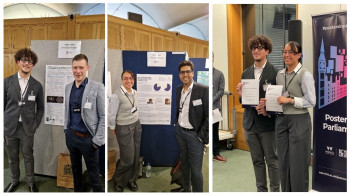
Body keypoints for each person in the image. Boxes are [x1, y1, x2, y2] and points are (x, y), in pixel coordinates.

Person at [236, 35, 280, 192]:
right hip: (250, 124)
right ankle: (261, 191)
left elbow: (280, 102)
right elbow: (245, 102)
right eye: (254, 48)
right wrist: (241, 94)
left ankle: (275, 191)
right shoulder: (245, 73)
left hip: (268, 125)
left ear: (267, 51)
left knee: (272, 161)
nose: (256, 50)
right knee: (256, 161)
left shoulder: (276, 73)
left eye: (260, 48)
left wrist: (269, 109)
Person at [274, 41, 315, 192]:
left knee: (298, 163)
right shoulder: (279, 74)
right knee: (283, 162)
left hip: (299, 121)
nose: (287, 55)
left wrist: (290, 100)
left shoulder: (305, 74)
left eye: (291, 52)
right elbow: (277, 97)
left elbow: (311, 101)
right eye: (285, 51)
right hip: (281, 121)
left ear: (299, 55)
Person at [4, 48, 44, 192]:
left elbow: (41, 108)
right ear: (18, 62)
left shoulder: (37, 85)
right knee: (12, 157)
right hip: (9, 128)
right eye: (24, 60)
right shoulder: (6, 82)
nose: (27, 63)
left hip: (27, 128)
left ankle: (30, 182)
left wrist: (35, 125)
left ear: (33, 64)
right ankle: (14, 181)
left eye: (30, 61)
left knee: (28, 156)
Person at [64, 54, 105, 192]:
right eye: (75, 67)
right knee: (76, 172)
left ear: (87, 68)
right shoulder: (68, 87)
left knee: (94, 175)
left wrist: (97, 141)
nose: (78, 71)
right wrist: (66, 130)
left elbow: (103, 116)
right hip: (72, 137)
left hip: (88, 140)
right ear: (72, 68)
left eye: (81, 67)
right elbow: (66, 110)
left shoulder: (97, 87)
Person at [175, 60, 209, 192]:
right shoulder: (179, 89)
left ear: (192, 73)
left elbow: (207, 116)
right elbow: (178, 109)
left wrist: (201, 135)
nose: (185, 75)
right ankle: (186, 189)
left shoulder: (202, 90)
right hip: (180, 132)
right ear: (179, 74)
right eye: (182, 72)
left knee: (196, 171)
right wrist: (176, 124)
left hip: (194, 135)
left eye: (188, 71)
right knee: (185, 165)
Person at [112, 70, 142, 192]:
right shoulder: (116, 95)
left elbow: (134, 109)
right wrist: (113, 127)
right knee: (128, 159)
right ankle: (118, 180)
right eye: (126, 78)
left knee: (135, 156)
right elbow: (111, 114)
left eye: (131, 78)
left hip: (136, 125)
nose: (129, 81)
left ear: (133, 80)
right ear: (122, 80)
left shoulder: (135, 93)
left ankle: (131, 180)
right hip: (123, 127)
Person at [212, 52, 226, 163]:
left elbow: (221, 91)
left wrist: (211, 100)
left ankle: (216, 154)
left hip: (214, 108)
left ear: (213, 58)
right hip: (201, 108)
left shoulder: (219, 74)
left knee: (214, 131)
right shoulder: (202, 72)